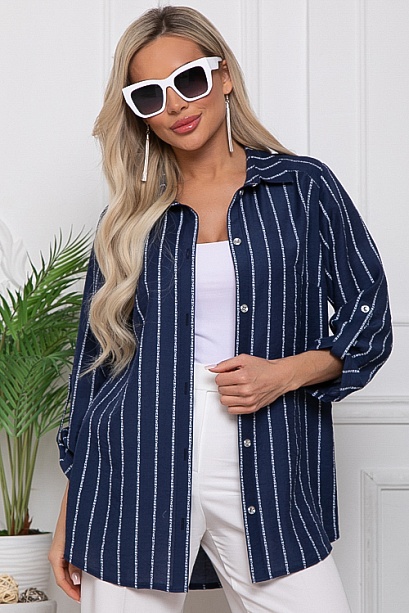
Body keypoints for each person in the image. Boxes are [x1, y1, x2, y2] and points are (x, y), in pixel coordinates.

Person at [48, 6, 392, 613]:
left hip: (267, 448)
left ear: (223, 76)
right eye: (150, 94)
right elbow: (94, 372)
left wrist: (283, 374)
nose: (175, 105)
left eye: (189, 80)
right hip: (135, 464)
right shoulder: (126, 221)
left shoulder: (301, 189)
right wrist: (72, 515)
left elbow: (370, 319)